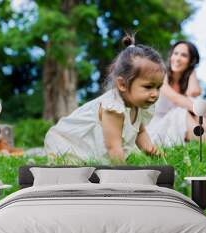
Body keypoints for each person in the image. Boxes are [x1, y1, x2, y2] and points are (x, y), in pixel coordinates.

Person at [44, 34, 165, 163]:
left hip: (98, 146)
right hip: (68, 143)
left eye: (158, 87)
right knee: (79, 171)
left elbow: (140, 132)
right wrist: (125, 174)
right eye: (148, 87)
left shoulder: (138, 103)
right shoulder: (113, 108)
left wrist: (150, 149)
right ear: (123, 84)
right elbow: (113, 148)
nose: (155, 94)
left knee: (99, 165)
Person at [146, 40, 206, 147]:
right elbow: (177, 99)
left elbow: (193, 93)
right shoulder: (161, 75)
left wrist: (192, 72)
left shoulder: (186, 79)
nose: (177, 58)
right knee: (181, 112)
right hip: (154, 128)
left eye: (184, 55)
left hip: (176, 124)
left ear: (191, 61)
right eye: (175, 53)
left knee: (191, 109)